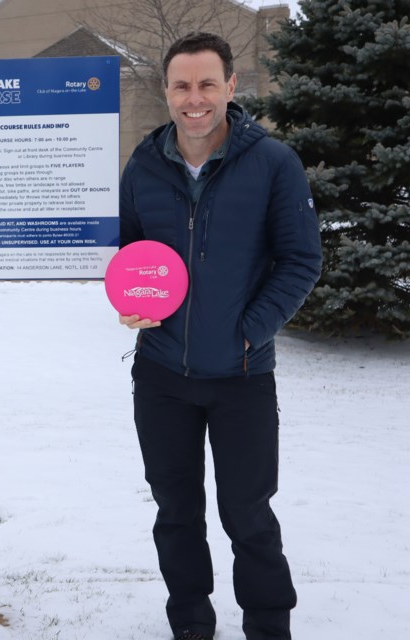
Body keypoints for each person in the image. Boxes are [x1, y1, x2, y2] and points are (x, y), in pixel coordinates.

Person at [117, 33, 322, 640]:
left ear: (231, 87)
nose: (194, 99)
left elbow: (300, 260)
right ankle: (191, 623)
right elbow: (133, 251)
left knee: (248, 513)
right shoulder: (145, 164)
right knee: (176, 513)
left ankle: (266, 623)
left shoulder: (273, 163)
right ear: (167, 92)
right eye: (182, 85)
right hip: (161, 375)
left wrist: (247, 334)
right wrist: (131, 303)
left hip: (241, 376)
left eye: (208, 84)